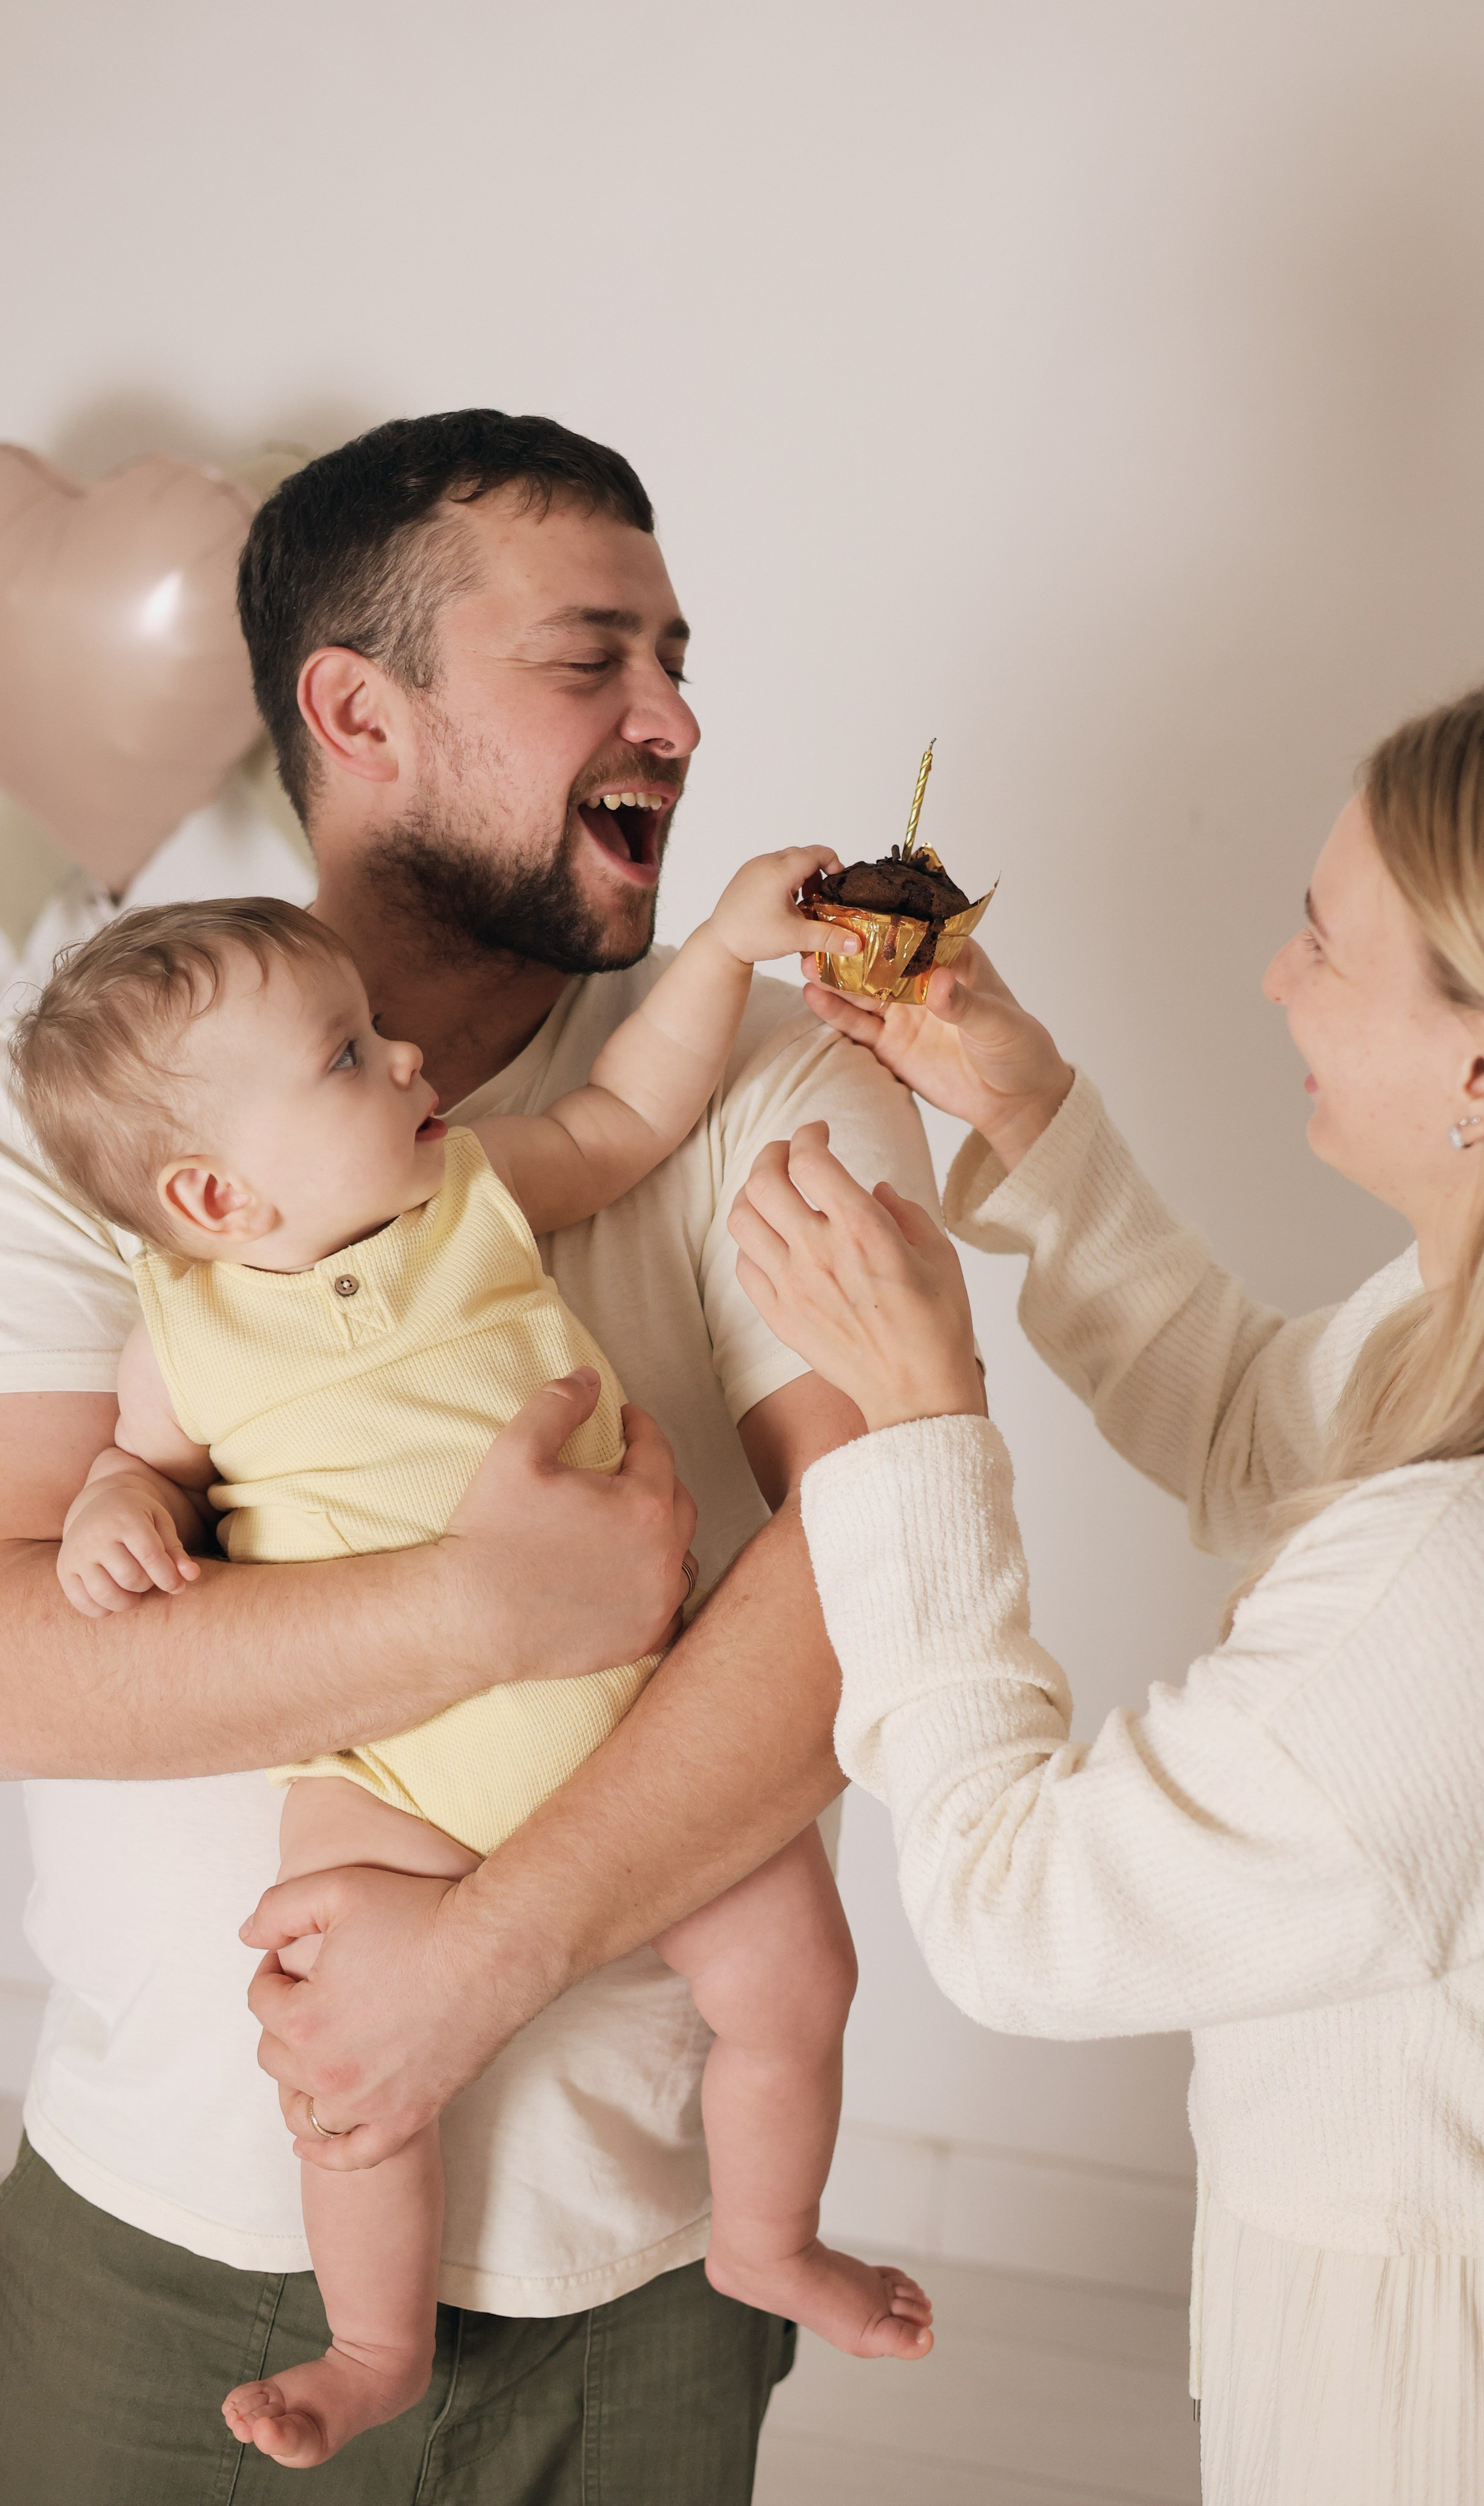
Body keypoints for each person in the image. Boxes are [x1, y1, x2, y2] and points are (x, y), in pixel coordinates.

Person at [0, 409, 939, 2504]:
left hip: (652, 2266)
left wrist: (472, 1972)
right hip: (164, 2233)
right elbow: (12, 1643)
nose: (674, 716)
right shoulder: (113, 1106)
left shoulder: (769, 1081)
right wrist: (470, 1607)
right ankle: (367, 2329)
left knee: (805, 1969)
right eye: (590, 656)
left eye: (678, 654)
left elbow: (887, 1571)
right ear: (361, 710)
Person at [720, 671, 1484, 2505]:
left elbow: (1014, 1915)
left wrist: (915, 1428)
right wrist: (1034, 1119)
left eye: (1325, 937)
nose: (1273, 977)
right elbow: (1258, 1436)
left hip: (1457, 2422)